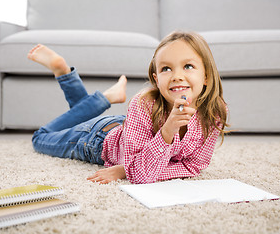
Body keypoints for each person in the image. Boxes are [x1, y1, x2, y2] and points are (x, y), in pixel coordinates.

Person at [28, 31, 229, 184]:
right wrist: (167, 132)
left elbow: (193, 166)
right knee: (40, 137)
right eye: (166, 68)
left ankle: (72, 79)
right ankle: (101, 97)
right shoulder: (143, 104)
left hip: (126, 128)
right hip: (96, 140)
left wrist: (126, 169)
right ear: (157, 80)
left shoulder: (214, 113)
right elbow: (141, 175)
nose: (177, 75)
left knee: (79, 119)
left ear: (206, 76)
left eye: (188, 66)